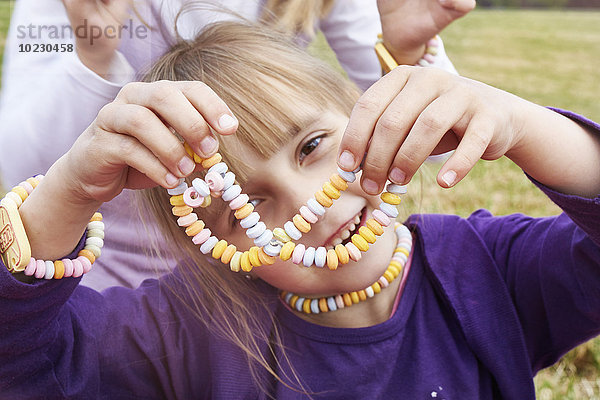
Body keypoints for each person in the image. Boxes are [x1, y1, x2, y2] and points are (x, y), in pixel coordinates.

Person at [2, 21, 599, 399]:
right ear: (211, 247)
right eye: (244, 208)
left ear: (360, 108)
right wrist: (71, 193)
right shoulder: (186, 331)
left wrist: (522, 124)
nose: (308, 205)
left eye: (312, 147)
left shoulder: (487, 270)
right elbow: (23, 361)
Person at [0, 0, 474, 290]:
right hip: (108, 271)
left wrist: (406, 55)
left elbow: (442, 150)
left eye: (310, 147)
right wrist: (93, 55)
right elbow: (19, 164)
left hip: (266, 264)